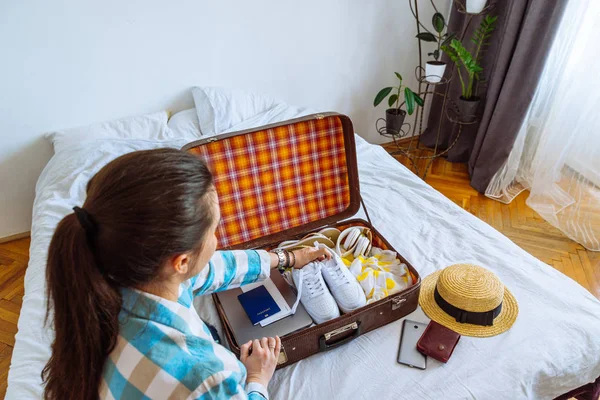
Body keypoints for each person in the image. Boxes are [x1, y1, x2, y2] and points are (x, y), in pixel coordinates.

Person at [42, 148, 330, 400]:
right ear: (179, 261)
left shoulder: (109, 274)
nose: (217, 240)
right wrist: (256, 378)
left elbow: (211, 269)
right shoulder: (208, 378)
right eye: (214, 230)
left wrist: (287, 257)